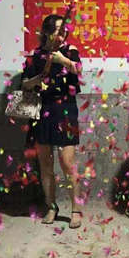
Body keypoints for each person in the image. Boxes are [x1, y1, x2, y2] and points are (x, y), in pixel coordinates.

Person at [20, 14, 83, 229]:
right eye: (58, 30)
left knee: (67, 163)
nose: (62, 33)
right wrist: (37, 79)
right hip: (43, 108)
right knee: (45, 164)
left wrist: (62, 60)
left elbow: (78, 69)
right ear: (47, 32)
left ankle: (76, 210)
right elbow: (25, 84)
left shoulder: (70, 50)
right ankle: (51, 207)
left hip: (65, 109)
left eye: (64, 30)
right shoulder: (36, 56)